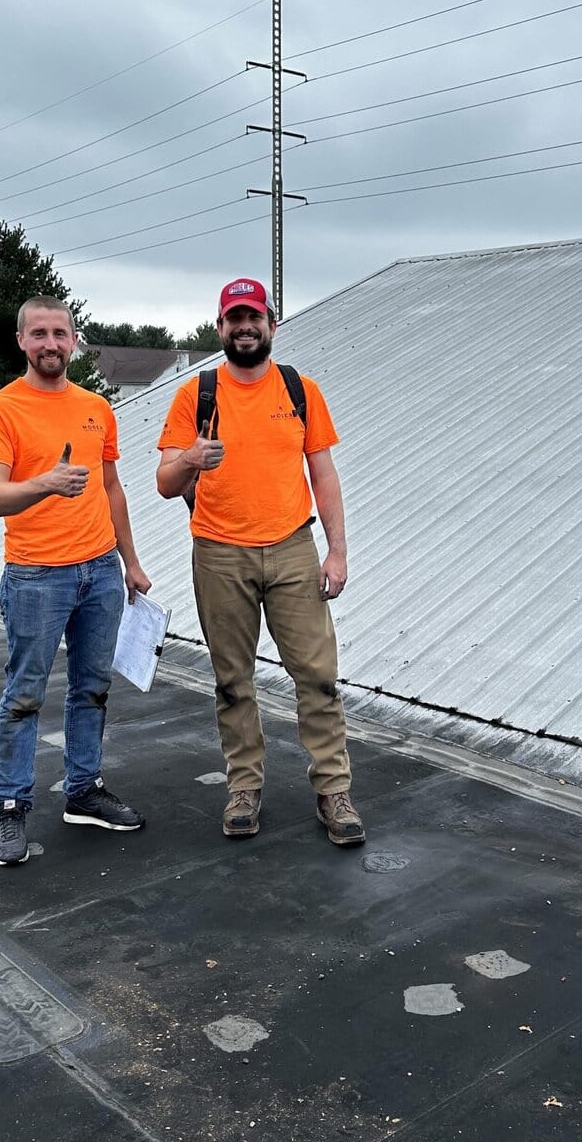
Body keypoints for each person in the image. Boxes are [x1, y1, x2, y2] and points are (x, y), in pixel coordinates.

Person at [156, 277, 364, 846]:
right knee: (232, 681)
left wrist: (337, 550)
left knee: (317, 676)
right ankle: (243, 788)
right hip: (220, 553)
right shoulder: (195, 394)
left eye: (255, 317)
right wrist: (192, 458)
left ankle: (333, 790)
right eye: (235, 318)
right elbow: (165, 483)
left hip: (295, 549)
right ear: (220, 327)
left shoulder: (299, 390)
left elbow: (322, 472)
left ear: (271, 324)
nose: (245, 327)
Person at [0, 294, 151, 867]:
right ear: (22, 341)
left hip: (99, 571)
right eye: (39, 334)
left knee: (92, 689)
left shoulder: (97, 406)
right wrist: (46, 483)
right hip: (35, 576)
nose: (51, 343)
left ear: (75, 340)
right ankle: (9, 806)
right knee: (24, 695)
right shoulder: (0, 410)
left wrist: (131, 562)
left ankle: (83, 791)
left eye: (61, 333)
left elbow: (111, 488)